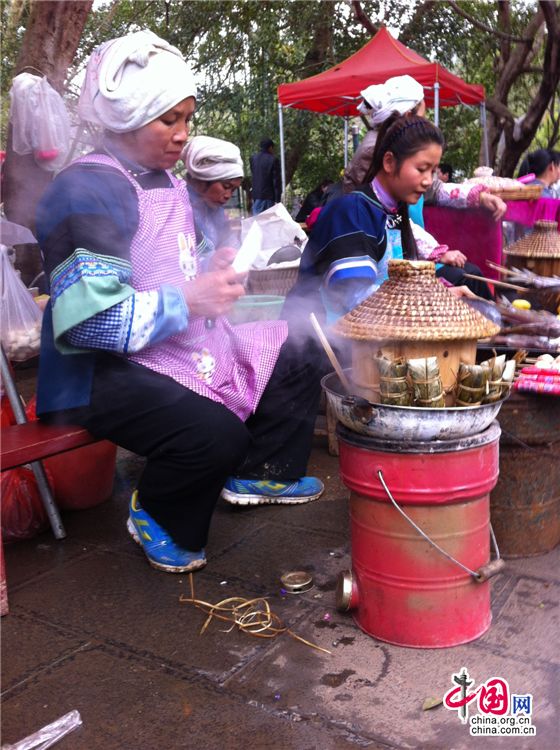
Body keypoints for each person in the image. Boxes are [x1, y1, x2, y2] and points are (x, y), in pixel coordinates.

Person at [35, 30, 325, 576]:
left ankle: (260, 472)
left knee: (299, 348)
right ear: (126, 115)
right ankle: (159, 513)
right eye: (169, 120)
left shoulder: (166, 182)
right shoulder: (86, 190)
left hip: (175, 342)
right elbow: (91, 323)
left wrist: (209, 271)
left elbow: (172, 260)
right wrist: (190, 299)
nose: (182, 136)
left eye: (187, 119)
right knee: (213, 434)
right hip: (98, 371)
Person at [283, 112, 489, 335]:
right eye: (421, 169)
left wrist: (441, 295)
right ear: (389, 162)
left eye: (432, 171)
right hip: (321, 346)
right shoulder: (351, 213)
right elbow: (357, 300)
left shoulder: (393, 213)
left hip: (372, 338)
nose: (428, 181)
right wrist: (431, 303)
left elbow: (393, 291)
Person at [183, 135, 243, 253]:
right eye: (226, 187)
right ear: (202, 180)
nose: (228, 196)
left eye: (233, 190)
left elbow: (226, 241)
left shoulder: (215, 210)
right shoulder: (179, 209)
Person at [249, 138, 282, 214]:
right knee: (269, 222)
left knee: (257, 223)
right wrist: (278, 200)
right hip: (269, 197)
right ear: (270, 147)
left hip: (256, 195)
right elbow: (276, 181)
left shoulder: (253, 159)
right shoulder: (273, 160)